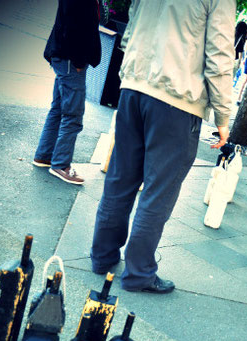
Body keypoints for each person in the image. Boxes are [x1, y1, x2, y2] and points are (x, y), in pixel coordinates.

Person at [90, 0, 235, 294]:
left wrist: (130, 77)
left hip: (134, 89)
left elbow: (130, 30)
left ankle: (102, 257)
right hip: (177, 99)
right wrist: (222, 115)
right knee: (158, 193)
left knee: (119, 180)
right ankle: (139, 273)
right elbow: (219, 55)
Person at [32, 0, 102, 185]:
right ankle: (61, 165)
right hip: (71, 59)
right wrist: (79, 61)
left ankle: (44, 156)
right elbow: (73, 25)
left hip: (65, 57)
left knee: (58, 109)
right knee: (73, 115)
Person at [232, 21, 247, 87]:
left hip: (227, 55)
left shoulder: (232, 33)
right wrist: (239, 62)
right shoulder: (242, 38)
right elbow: (240, 51)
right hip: (234, 58)